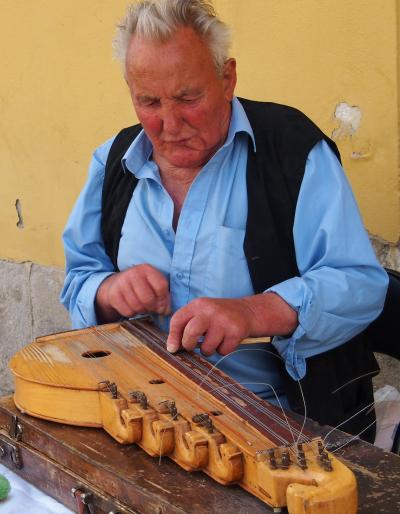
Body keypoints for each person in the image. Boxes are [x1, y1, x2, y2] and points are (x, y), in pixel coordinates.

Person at [61, 0, 388, 441]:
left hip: (277, 422)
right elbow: (79, 277)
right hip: (143, 414)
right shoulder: (113, 162)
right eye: (149, 101)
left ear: (227, 78)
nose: (169, 123)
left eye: (188, 98)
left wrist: (253, 312)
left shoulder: (292, 152)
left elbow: (361, 284)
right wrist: (108, 291)